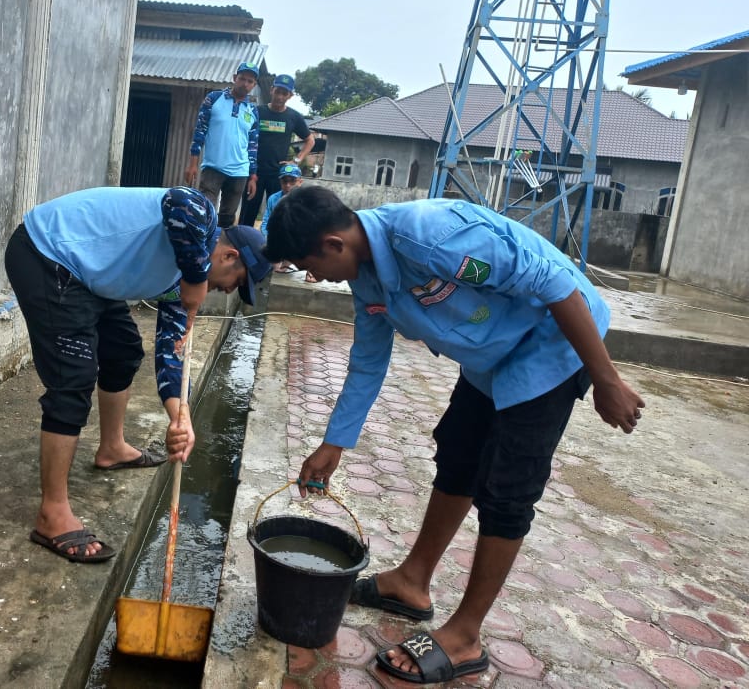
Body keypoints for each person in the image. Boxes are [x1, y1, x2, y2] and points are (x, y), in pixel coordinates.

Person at [263, 187, 644, 684]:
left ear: (334, 243)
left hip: (550, 345)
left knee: (508, 487)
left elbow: (555, 284)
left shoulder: (434, 237)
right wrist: (335, 441)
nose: (314, 277)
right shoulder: (366, 275)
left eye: (308, 264)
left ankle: (465, 635)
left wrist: (606, 379)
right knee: (458, 453)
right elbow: (369, 357)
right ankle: (412, 581)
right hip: (491, 356)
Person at [5, 186, 272, 563]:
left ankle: (112, 448)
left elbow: (172, 355)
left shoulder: (177, 288)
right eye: (236, 280)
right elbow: (179, 201)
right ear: (228, 255)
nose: (228, 290)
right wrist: (197, 277)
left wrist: (181, 417)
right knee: (73, 378)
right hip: (47, 253)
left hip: (88, 272)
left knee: (124, 351)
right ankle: (52, 513)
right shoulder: (199, 217)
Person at [185, 62, 261, 228]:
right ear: (235, 78)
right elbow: (199, 132)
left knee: (227, 217)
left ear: (254, 85)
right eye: (242, 79)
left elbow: (253, 146)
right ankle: (203, 250)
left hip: (239, 172)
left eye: (250, 81)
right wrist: (193, 164)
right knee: (206, 212)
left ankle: (219, 251)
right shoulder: (213, 98)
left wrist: (253, 176)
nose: (245, 83)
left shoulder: (252, 111)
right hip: (213, 167)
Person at [239, 73, 315, 229]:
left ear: (290, 96)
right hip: (254, 173)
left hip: (278, 175)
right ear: (272, 90)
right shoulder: (257, 111)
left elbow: (310, 140)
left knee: (277, 214)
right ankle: (242, 247)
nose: (280, 96)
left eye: (284, 93)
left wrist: (296, 161)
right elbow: (243, 136)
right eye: (278, 91)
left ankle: (273, 247)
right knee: (247, 214)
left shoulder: (294, 117)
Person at [260, 163, 303, 273]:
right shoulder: (273, 199)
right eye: (284, 181)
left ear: (300, 182)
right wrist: (268, 238)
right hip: (276, 239)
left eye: (292, 181)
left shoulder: (305, 200)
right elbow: (266, 222)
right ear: (280, 182)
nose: (288, 185)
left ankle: (287, 264)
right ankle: (276, 266)